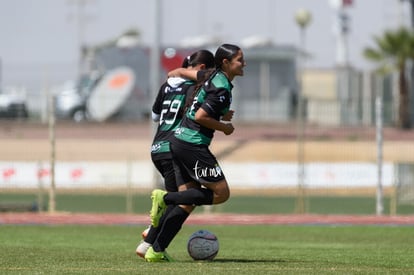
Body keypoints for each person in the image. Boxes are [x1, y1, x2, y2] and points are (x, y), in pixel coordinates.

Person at [144, 44, 246, 262]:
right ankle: (164, 198)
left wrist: (174, 74)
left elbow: (182, 72)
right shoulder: (221, 87)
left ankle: (155, 250)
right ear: (226, 63)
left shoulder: (209, 74)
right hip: (193, 145)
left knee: (188, 199)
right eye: (239, 60)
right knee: (221, 193)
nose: (244, 63)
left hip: (178, 141)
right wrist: (224, 127)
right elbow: (200, 116)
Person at [135, 49, 215, 259]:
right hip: (176, 147)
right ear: (203, 68)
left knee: (182, 198)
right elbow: (197, 114)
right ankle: (156, 248)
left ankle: (149, 242)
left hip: (157, 148)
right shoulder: (194, 88)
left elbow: (154, 116)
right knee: (185, 200)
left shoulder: (166, 86)